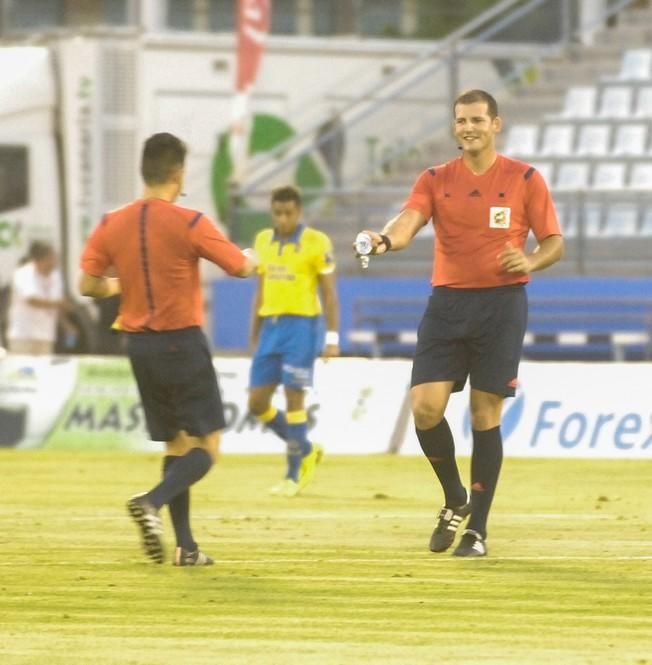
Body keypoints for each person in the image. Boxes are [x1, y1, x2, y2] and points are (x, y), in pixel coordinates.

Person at [355, 90, 564, 557]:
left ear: (495, 125)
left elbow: (554, 242)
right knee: (425, 407)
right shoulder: (435, 179)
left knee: (483, 413)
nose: (467, 127)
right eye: (460, 120)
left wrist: (528, 259)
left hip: (502, 305)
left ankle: (477, 532)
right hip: (447, 304)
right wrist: (384, 239)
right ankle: (454, 495)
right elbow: (409, 221)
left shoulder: (525, 178)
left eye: (476, 119)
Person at [79, 132, 257, 566]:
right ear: (178, 173)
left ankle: (186, 548)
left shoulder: (110, 223)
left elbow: (87, 285)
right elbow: (238, 266)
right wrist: (257, 255)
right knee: (206, 447)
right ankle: (151, 502)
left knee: (175, 445)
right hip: (181, 342)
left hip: (139, 347)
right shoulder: (189, 221)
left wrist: (124, 284)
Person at [248, 185, 340, 497]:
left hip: (302, 327)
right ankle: (307, 449)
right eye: (278, 213)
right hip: (271, 327)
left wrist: (332, 337)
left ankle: (292, 475)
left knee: (293, 398)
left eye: (288, 213)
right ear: (272, 213)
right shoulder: (262, 241)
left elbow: (328, 293)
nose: (283, 219)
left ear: (298, 212)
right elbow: (260, 288)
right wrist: (254, 331)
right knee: (257, 403)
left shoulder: (317, 242)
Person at [7, 241, 71, 355]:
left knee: (44, 371)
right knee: (22, 371)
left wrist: (66, 324)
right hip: (23, 335)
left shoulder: (55, 276)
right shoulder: (23, 273)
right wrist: (60, 303)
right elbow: (32, 300)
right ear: (40, 259)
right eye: (51, 258)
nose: (54, 261)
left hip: (46, 336)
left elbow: (57, 304)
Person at [316, 109, 345, 189]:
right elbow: (318, 139)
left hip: (334, 152)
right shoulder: (327, 126)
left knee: (335, 171)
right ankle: (337, 189)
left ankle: (337, 189)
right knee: (334, 171)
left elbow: (341, 142)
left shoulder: (339, 126)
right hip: (329, 151)